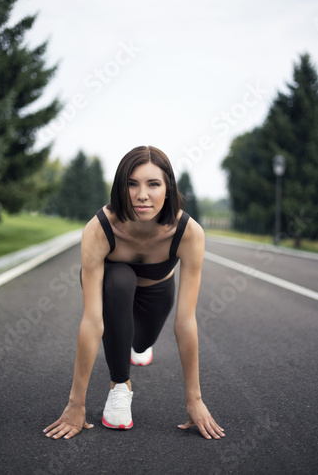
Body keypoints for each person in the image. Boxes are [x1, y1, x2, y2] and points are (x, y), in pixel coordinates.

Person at [43, 146, 225, 440]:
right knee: (119, 278)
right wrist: (76, 404)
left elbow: (185, 321)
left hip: (157, 295)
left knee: (140, 343)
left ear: (168, 189)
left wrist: (195, 399)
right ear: (120, 187)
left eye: (153, 184)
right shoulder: (100, 228)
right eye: (132, 183)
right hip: (115, 293)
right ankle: (120, 386)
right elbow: (92, 321)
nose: (142, 195)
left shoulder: (188, 232)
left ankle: (137, 345)